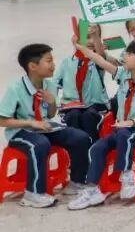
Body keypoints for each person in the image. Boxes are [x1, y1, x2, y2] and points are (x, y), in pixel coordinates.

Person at [68, 40, 135, 210]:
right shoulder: (123, 75)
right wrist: (82, 48)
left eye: (129, 54)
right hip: (122, 129)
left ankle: (126, 175)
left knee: (126, 134)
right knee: (97, 147)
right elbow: (101, 61)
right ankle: (92, 189)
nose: (124, 56)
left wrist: (131, 122)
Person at [0, 44, 93, 208]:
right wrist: (30, 122)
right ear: (33, 66)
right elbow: (2, 120)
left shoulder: (49, 85)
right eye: (49, 61)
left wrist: (51, 103)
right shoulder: (15, 89)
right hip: (20, 132)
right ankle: (33, 194)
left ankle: (77, 182)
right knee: (40, 144)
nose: (53, 65)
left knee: (80, 138)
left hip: (44, 127)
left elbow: (50, 115)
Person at [53, 24, 111, 141]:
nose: (91, 41)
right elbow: (53, 84)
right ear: (77, 39)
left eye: (95, 37)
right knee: (73, 115)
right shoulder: (66, 62)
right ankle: (76, 147)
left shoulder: (98, 60)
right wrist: (56, 103)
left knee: (89, 116)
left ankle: (92, 146)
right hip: (71, 106)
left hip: (95, 104)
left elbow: (101, 57)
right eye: (87, 37)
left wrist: (96, 39)